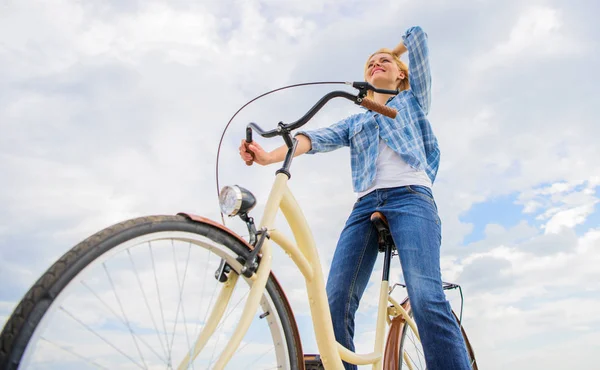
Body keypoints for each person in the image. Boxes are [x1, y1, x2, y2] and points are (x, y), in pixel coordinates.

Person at [239, 26, 471, 370]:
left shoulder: (413, 101)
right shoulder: (356, 121)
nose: (376, 64)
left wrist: (389, 52)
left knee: (425, 297)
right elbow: (316, 138)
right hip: (365, 207)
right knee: (332, 301)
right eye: (369, 64)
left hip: (411, 199)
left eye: (385, 63)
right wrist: (269, 155)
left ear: (401, 74)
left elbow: (418, 37)